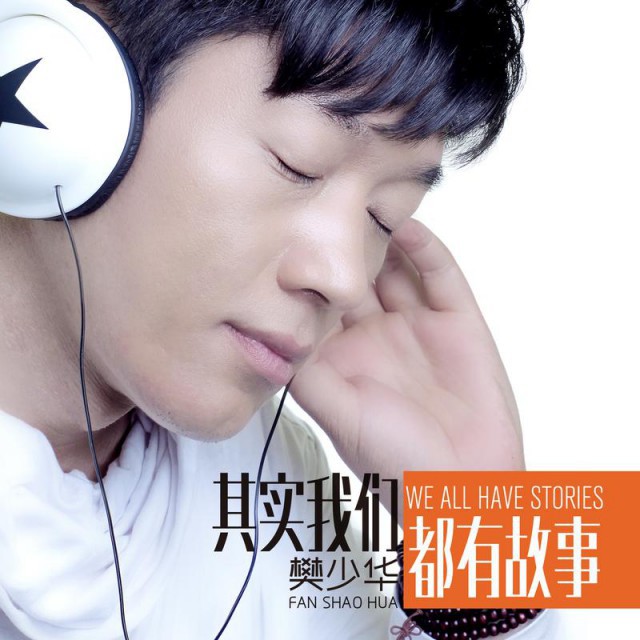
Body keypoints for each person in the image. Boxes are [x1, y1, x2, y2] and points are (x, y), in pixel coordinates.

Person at [0, 0, 559, 638]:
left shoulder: (275, 488)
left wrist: (483, 525)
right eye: (298, 163)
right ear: (53, 83)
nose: (346, 278)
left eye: (386, 217)